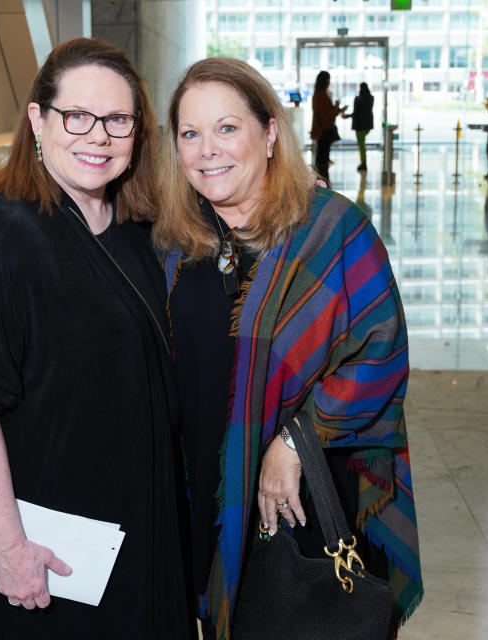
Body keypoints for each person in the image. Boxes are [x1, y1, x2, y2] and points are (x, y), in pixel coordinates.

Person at [0, 38, 190, 639]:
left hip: (121, 524)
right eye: (77, 116)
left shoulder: (134, 229)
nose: (99, 136)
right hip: (40, 544)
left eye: (118, 120)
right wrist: (9, 546)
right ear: (38, 119)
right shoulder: (0, 235)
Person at [154, 57, 423, 640]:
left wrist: (295, 443)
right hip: (206, 486)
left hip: (300, 499)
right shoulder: (176, 240)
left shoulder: (331, 229)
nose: (207, 150)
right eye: (190, 134)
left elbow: (382, 353)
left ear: (270, 132)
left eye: (227, 128)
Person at [309, 70, 346, 181]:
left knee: (322, 159)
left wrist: (336, 109)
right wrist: (336, 109)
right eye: (328, 79)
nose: (329, 82)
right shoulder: (321, 95)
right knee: (322, 160)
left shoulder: (319, 94)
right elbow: (325, 115)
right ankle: (322, 183)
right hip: (323, 132)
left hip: (321, 131)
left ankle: (322, 182)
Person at [342, 82, 374, 172]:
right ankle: (363, 162)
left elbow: (356, 113)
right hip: (368, 125)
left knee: (361, 145)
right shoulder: (371, 98)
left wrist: (346, 116)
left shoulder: (358, 99)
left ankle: (364, 163)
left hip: (359, 126)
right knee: (362, 145)